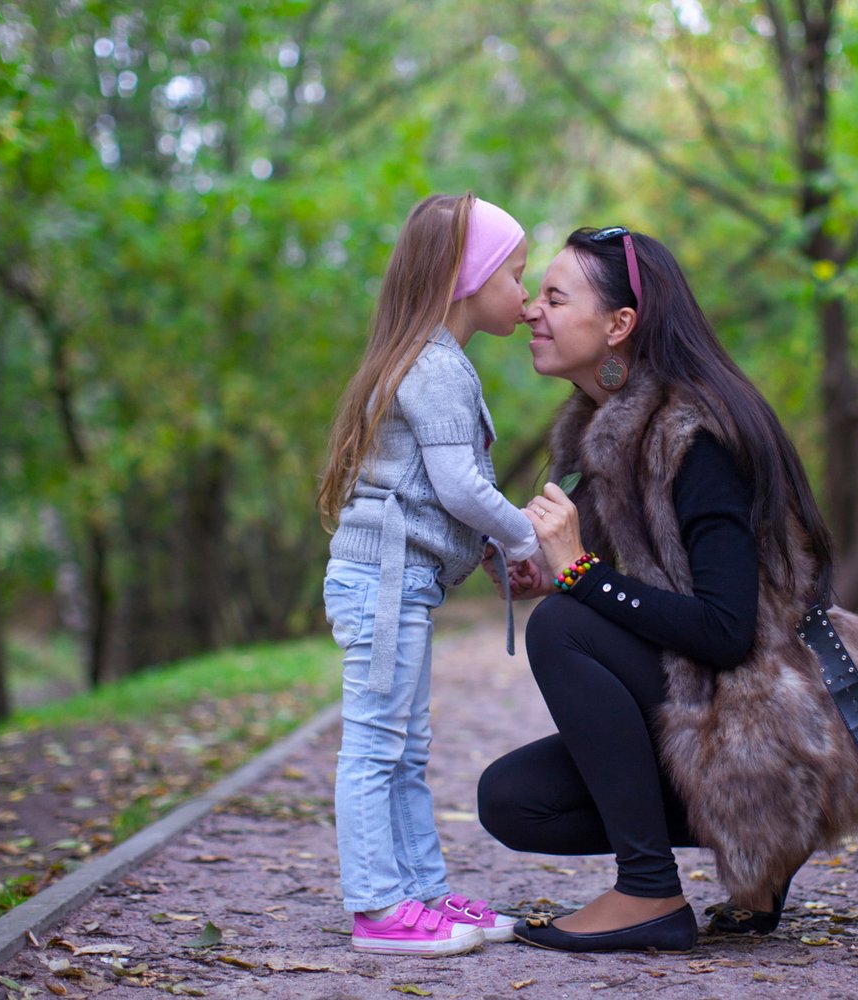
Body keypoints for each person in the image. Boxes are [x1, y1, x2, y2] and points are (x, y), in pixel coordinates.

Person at [477, 226, 858, 953]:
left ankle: (648, 891)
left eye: (556, 297)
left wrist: (583, 577)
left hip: (777, 728)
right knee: (513, 800)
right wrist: (553, 571)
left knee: (563, 628)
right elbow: (637, 592)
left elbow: (726, 630)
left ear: (620, 324)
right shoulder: (600, 431)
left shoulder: (695, 435)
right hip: (713, 701)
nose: (532, 310)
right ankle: (758, 855)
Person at [316, 194, 538, 956]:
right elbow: (461, 489)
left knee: (404, 747)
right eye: (517, 272)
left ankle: (421, 893)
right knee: (377, 744)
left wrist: (474, 545)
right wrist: (523, 537)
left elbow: (430, 492)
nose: (528, 294)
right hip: (382, 582)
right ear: (469, 278)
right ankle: (379, 909)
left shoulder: (436, 361)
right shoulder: (436, 367)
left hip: (397, 580)